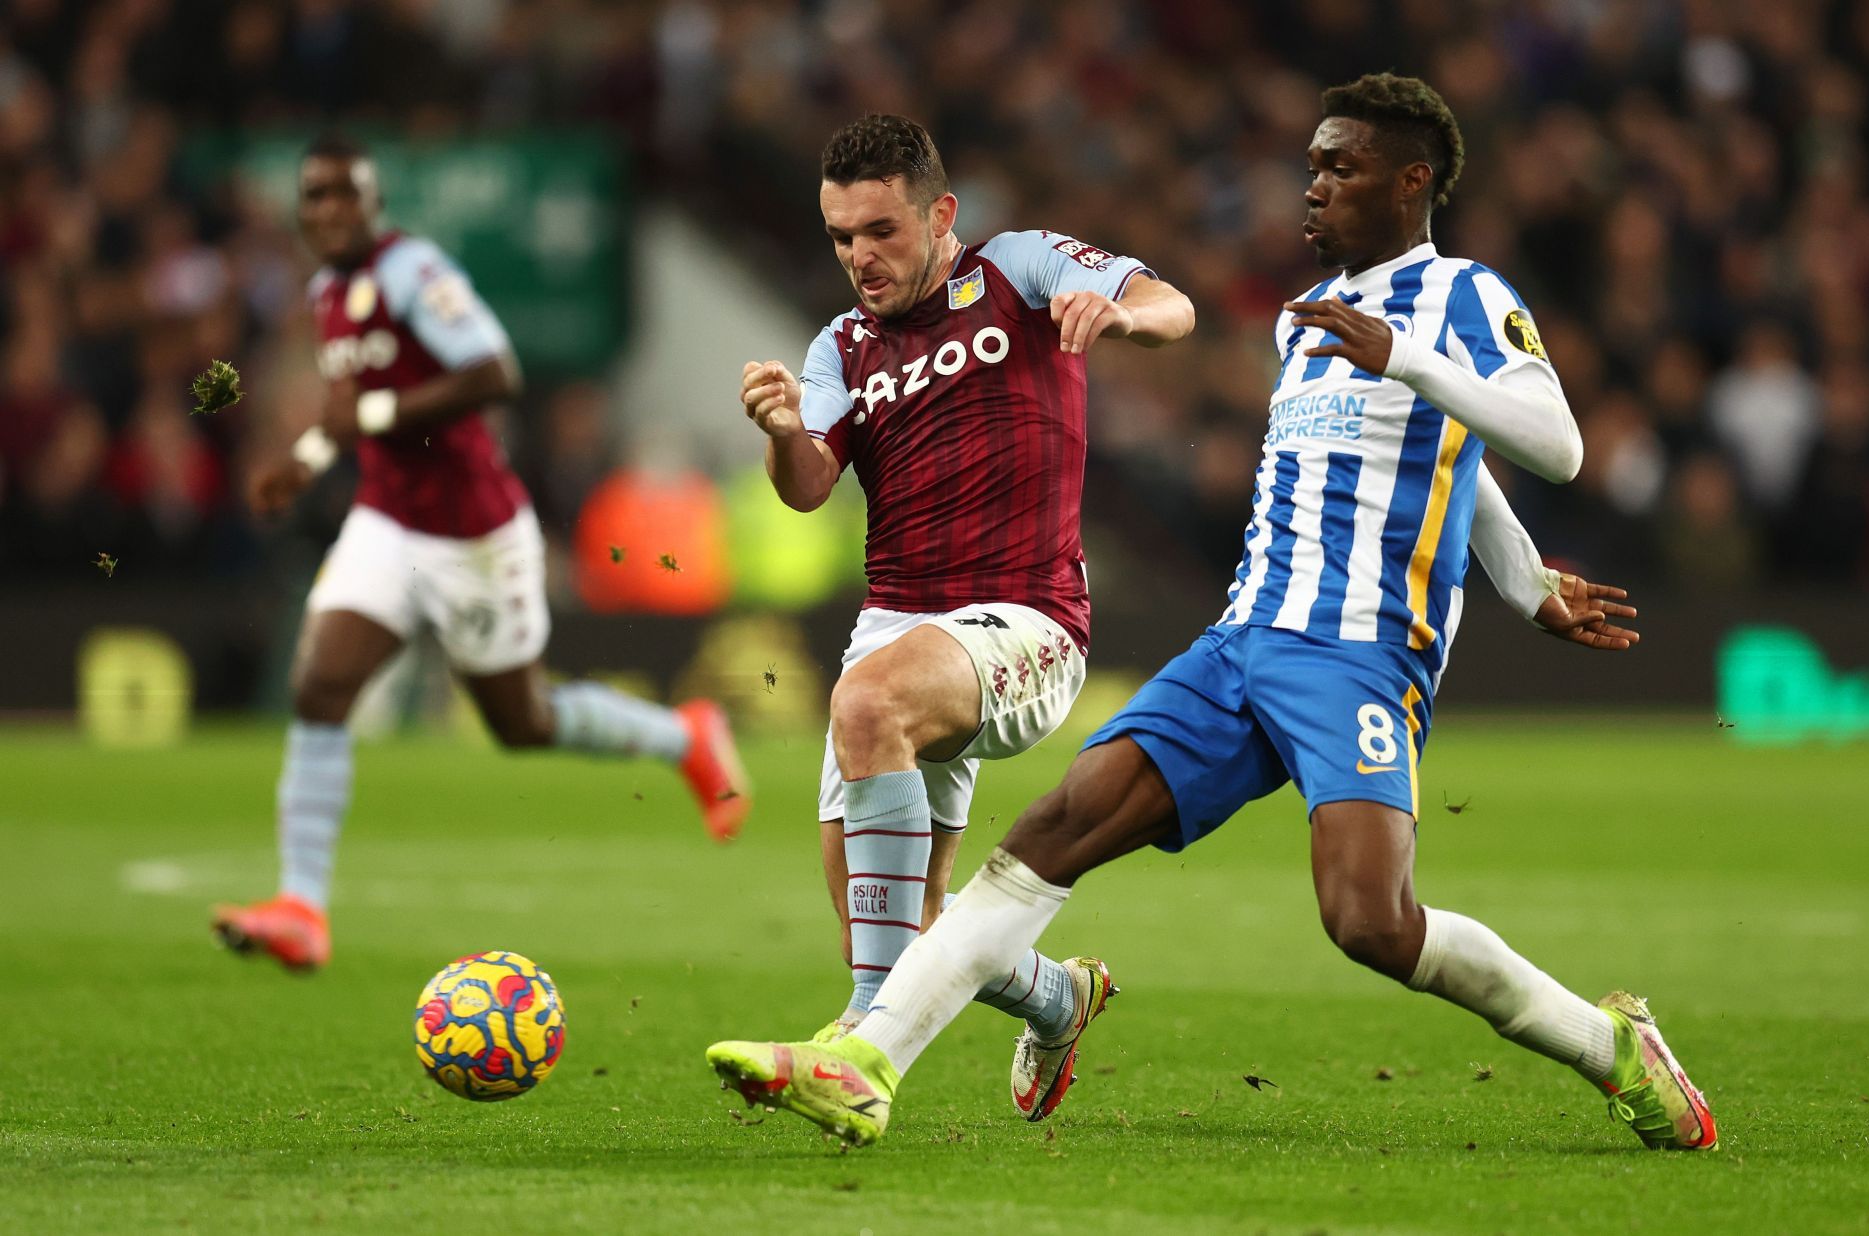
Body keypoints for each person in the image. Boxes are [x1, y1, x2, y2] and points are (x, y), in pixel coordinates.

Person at [706, 74, 1717, 1155]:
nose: (1313, 187)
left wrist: (1420, 386)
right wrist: (1522, 575)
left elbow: (1551, 443)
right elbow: (1437, 462)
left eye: (1341, 166)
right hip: (1239, 642)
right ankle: (868, 1062)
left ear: (1412, 182)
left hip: (1357, 653)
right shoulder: (1303, 322)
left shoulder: (1460, 297)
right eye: (1314, 165)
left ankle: (1612, 1046)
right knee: (1052, 833)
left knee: (1370, 923)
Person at [736, 113, 1193, 1120]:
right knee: (905, 917)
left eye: (881, 231)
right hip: (899, 628)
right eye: (842, 236)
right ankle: (1058, 997)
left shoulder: (1020, 267)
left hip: (1029, 619)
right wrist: (779, 434)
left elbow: (1173, 308)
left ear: (940, 214)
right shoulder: (841, 347)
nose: (860, 256)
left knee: (866, 711)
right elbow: (809, 487)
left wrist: (1117, 315)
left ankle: (860, 1041)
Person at [212, 135, 749, 972]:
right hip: (387, 521)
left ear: (372, 204)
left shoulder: (412, 273)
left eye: (342, 195)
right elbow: (350, 405)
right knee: (320, 684)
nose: (327, 212)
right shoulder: (329, 291)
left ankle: (685, 737)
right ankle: (301, 907)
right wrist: (309, 461)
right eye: (313, 197)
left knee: (520, 721)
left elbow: (495, 371)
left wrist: (379, 420)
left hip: (473, 535)